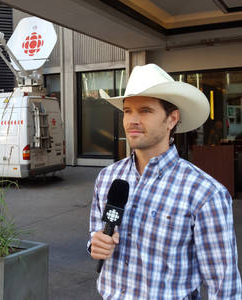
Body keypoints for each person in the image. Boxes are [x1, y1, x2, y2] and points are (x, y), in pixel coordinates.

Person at [88, 64, 242, 299]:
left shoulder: (205, 193)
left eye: (146, 111)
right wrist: (95, 243)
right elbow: (95, 233)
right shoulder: (108, 177)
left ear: (172, 119)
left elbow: (224, 285)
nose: (132, 120)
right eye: (128, 111)